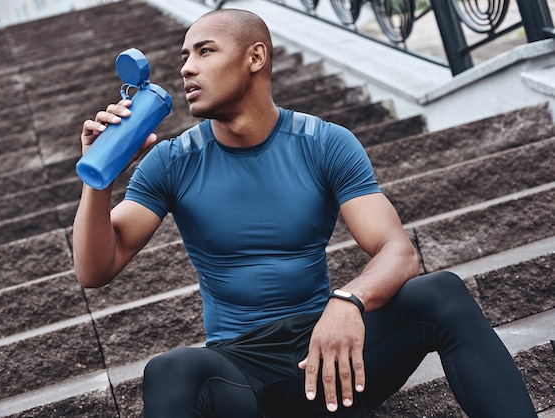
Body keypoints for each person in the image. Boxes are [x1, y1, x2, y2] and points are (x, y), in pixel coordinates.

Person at [73, 8, 537, 418]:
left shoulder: (324, 144)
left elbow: (398, 251)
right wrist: (100, 179)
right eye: (183, 57)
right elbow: (95, 270)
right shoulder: (172, 160)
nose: (187, 69)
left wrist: (349, 300)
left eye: (205, 51)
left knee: (441, 292)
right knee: (172, 370)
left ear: (255, 58)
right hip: (241, 374)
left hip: (335, 357)